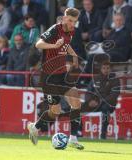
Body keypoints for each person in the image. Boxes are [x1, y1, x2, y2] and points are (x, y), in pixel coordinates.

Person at [27, 8, 84, 150]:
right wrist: (54, 45)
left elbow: (66, 44)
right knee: (55, 111)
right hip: (50, 76)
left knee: (76, 102)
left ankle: (73, 138)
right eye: (70, 20)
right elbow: (38, 44)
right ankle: (35, 126)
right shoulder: (54, 29)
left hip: (62, 74)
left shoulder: (71, 31)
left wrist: (74, 55)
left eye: (75, 22)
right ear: (64, 18)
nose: (72, 24)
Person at [81, 61, 120, 139]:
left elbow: (114, 95)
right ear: (101, 69)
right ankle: (78, 132)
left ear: (111, 69)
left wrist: (100, 102)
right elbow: (88, 92)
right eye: (104, 68)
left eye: (108, 68)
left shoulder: (115, 80)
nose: (106, 70)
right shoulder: (95, 79)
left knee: (105, 110)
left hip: (108, 104)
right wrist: (89, 101)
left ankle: (103, 136)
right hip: (94, 103)